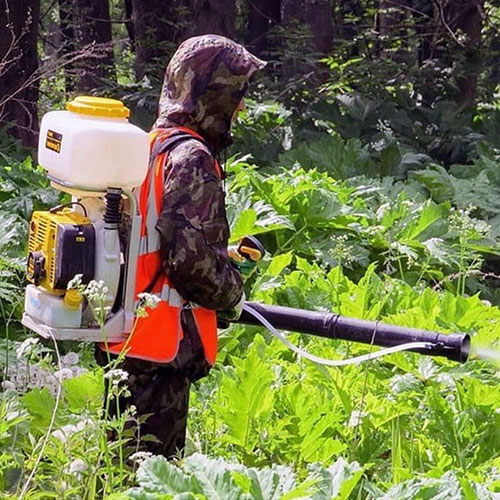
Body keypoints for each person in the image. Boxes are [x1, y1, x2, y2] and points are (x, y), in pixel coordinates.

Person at [98, 35, 265, 458]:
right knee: (151, 476)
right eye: (235, 94)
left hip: (124, 337)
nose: (241, 106)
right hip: (160, 347)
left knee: (119, 466)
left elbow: (154, 236)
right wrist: (232, 293)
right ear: (213, 94)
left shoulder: (151, 144)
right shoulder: (191, 156)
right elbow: (190, 264)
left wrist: (220, 254)